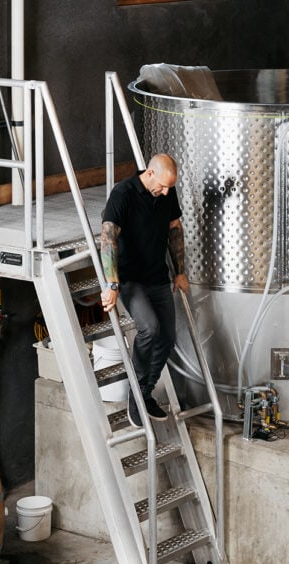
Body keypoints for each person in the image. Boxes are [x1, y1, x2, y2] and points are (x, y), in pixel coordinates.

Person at [100, 153, 190, 426]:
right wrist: (112, 284)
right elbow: (108, 239)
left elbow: (175, 229)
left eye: (169, 188)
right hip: (130, 280)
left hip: (158, 277)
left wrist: (180, 271)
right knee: (149, 329)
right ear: (150, 173)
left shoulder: (166, 193)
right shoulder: (123, 194)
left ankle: (145, 392)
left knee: (168, 338)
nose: (165, 192)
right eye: (162, 186)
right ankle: (137, 396)